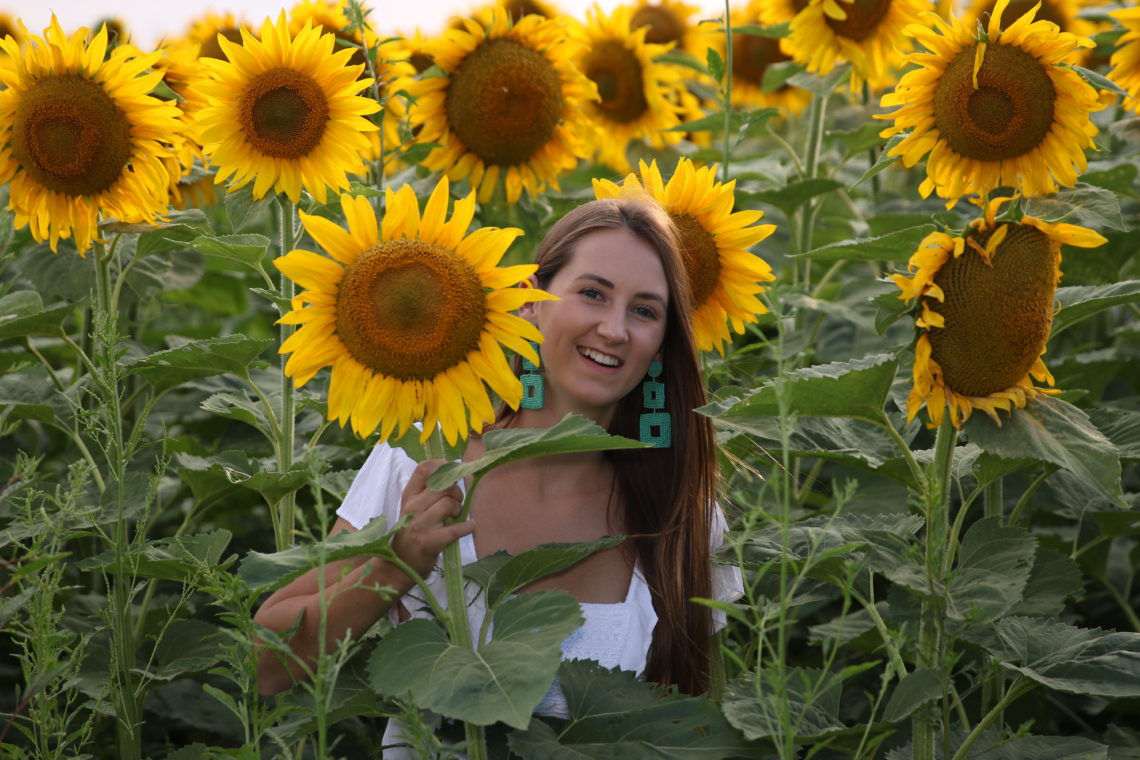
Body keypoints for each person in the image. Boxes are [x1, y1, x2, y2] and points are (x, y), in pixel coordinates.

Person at [252, 197, 742, 750]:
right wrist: (396, 562)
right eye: (592, 293)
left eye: (645, 311)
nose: (613, 329)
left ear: (661, 343)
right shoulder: (420, 463)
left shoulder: (683, 513)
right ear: (531, 300)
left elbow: (693, 731)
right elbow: (266, 664)